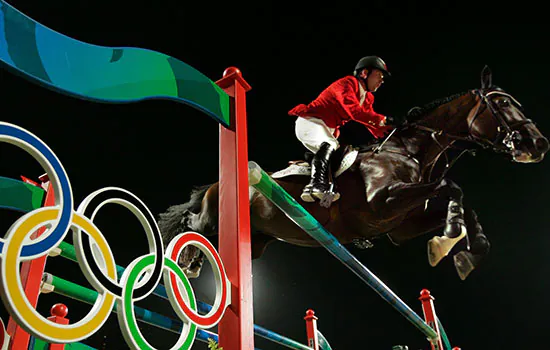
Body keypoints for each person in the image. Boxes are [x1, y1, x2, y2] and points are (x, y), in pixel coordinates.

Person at [288, 55, 395, 203]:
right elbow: (355, 112)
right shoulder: (347, 83)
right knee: (330, 144)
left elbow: (369, 122)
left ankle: (327, 184)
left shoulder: (368, 98)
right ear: (364, 73)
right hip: (311, 121)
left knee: (339, 153)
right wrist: (382, 119)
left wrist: (392, 129)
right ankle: (315, 185)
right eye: (379, 75)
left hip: (326, 128)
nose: (382, 81)